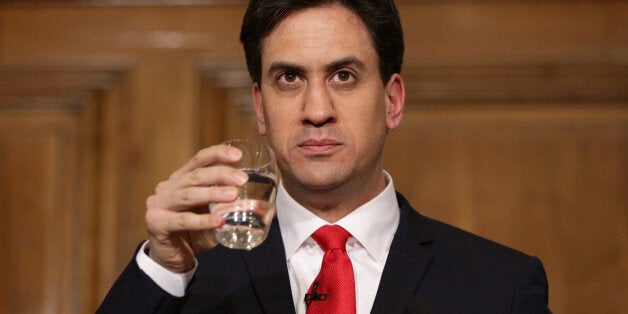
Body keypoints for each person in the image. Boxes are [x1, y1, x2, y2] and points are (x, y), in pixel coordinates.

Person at [98, 0, 551, 313]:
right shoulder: (189, 279)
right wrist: (162, 269)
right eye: (290, 79)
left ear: (392, 101)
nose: (316, 111)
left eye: (344, 76)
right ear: (260, 106)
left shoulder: (500, 286)